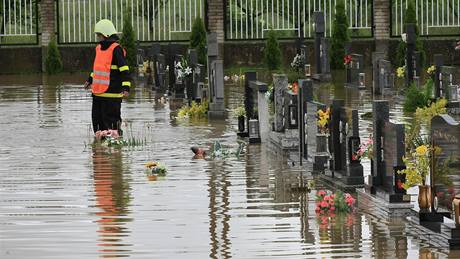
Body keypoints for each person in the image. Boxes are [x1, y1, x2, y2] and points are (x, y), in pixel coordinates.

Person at [84, 19, 132, 138]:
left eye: (99, 35)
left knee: (112, 124)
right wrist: (89, 80)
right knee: (98, 123)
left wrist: (126, 87)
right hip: (98, 94)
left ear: (106, 35)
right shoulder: (98, 48)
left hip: (112, 95)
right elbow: (96, 69)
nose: (97, 37)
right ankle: (100, 150)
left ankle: (115, 151)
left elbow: (124, 70)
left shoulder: (116, 49)